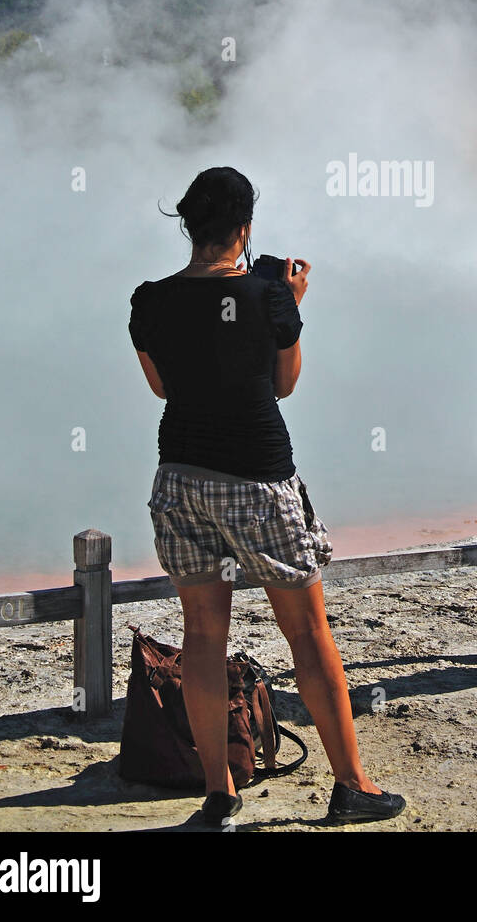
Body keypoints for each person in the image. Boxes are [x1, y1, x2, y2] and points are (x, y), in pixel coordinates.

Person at [129, 166, 404, 826]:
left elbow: (163, 389)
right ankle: (351, 786)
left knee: (201, 637)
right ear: (244, 229)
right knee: (307, 635)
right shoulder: (268, 297)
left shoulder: (149, 301)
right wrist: (292, 302)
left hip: (180, 478)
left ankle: (218, 794)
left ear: (189, 226)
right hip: (257, 477)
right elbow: (283, 384)